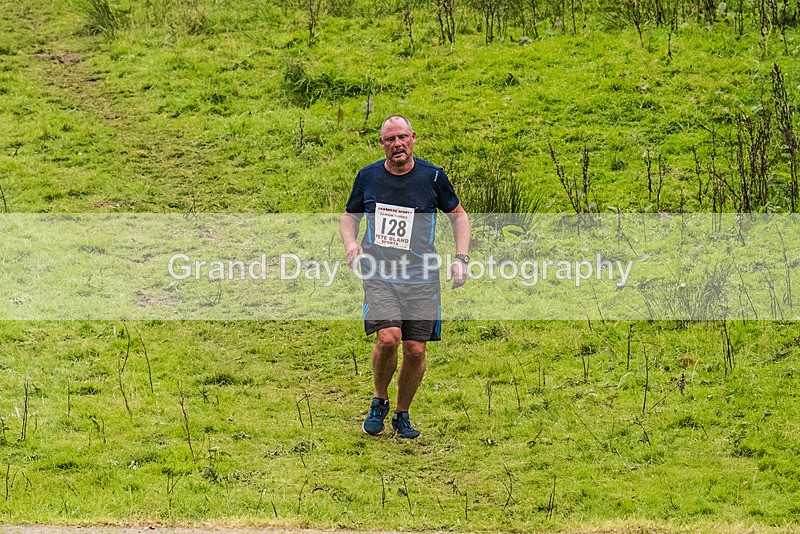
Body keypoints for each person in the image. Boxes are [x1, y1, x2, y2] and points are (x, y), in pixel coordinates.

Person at [340, 115, 470, 439]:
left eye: (402, 137)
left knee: (415, 350)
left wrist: (461, 258)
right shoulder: (368, 176)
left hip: (422, 278)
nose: (397, 144)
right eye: (390, 139)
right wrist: (351, 243)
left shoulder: (433, 176)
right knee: (389, 337)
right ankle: (379, 400)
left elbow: (459, 216)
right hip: (379, 273)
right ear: (382, 144)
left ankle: (402, 414)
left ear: (413, 138)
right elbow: (349, 216)